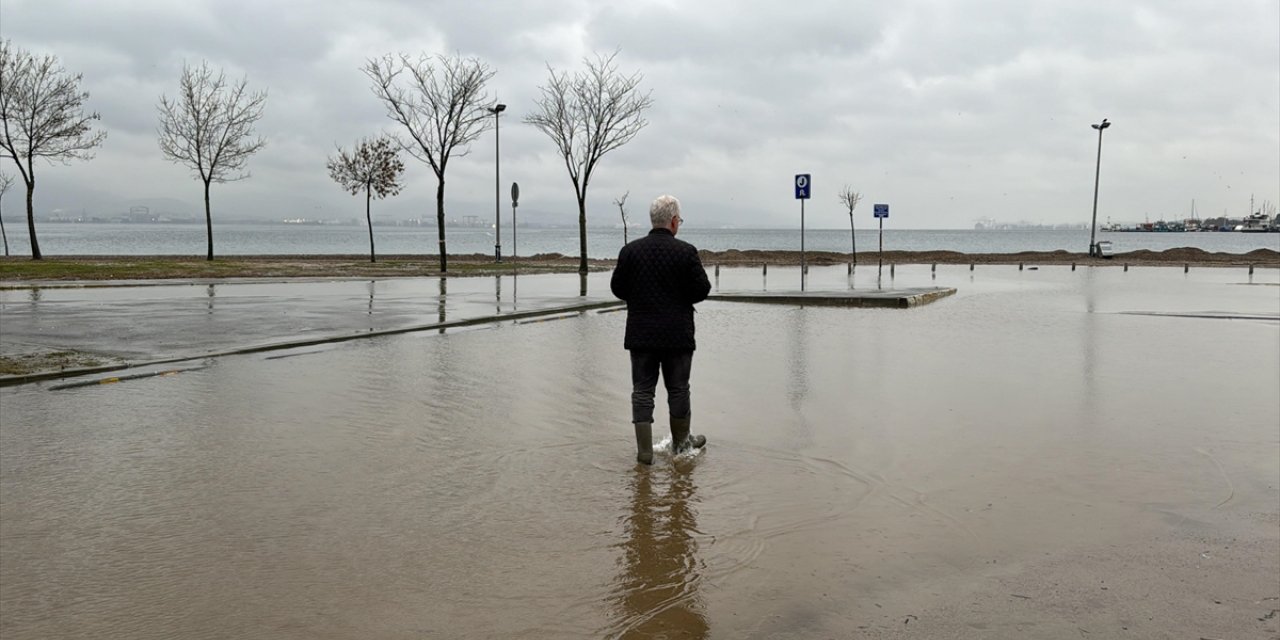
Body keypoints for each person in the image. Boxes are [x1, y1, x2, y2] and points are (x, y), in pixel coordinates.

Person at [610, 195, 712, 465]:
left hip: (641, 334)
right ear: (674, 221)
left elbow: (617, 288)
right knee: (678, 389)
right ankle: (681, 446)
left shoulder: (630, 251)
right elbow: (703, 289)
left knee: (642, 391)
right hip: (677, 335)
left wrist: (641, 293)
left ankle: (645, 453)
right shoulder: (686, 251)